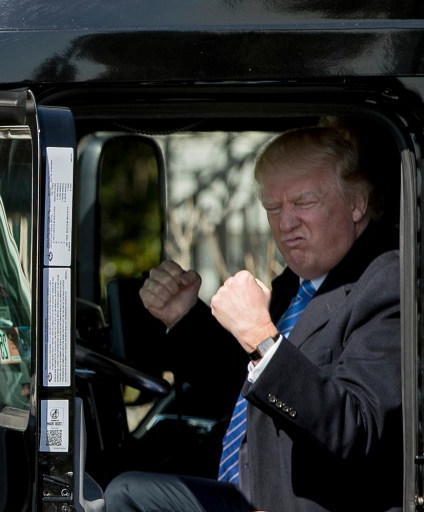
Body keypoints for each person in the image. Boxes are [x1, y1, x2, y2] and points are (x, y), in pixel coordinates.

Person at [104, 120, 401, 512]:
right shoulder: (297, 284)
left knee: (126, 495)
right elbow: (246, 386)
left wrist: (261, 335)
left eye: (304, 203)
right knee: (117, 480)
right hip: (247, 486)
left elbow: (355, 427)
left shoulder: (386, 280)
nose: (286, 223)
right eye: (272, 208)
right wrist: (184, 317)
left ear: (356, 204)